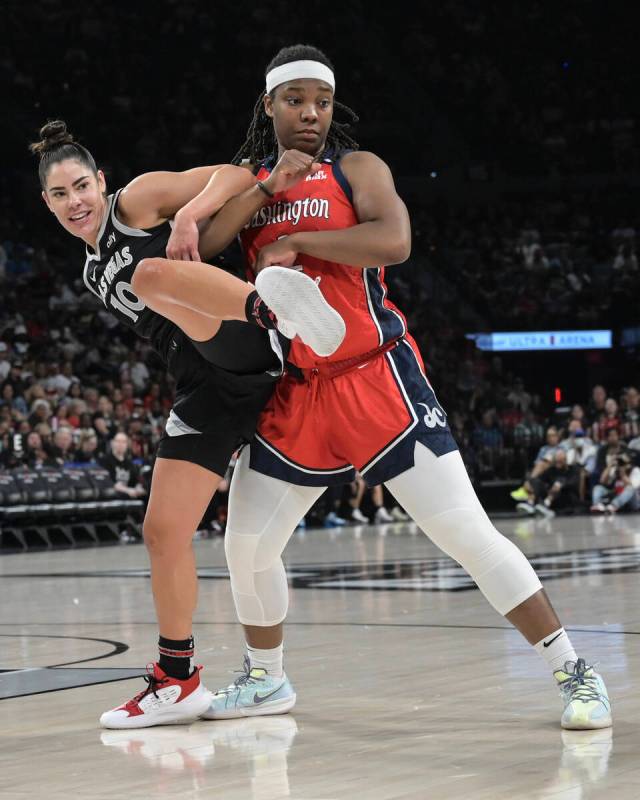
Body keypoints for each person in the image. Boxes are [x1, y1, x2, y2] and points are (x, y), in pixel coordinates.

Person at [189, 44, 611, 730]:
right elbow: (203, 250)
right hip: (298, 390)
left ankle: (576, 673)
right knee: (246, 545)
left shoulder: (356, 167)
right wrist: (265, 191)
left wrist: (300, 246)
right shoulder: (247, 183)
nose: (310, 114)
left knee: (467, 535)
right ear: (268, 105)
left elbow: (394, 240)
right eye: (295, 100)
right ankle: (266, 679)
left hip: (374, 376)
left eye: (321, 102)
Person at [30, 120, 346, 729]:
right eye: (60, 195)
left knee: (148, 278)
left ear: (102, 181)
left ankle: (272, 308)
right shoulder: (90, 269)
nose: (75, 203)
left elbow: (233, 175)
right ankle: (179, 677)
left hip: (243, 338)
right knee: (162, 529)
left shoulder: (137, 201)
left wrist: (187, 216)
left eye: (81, 186)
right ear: (46, 203)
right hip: (204, 380)